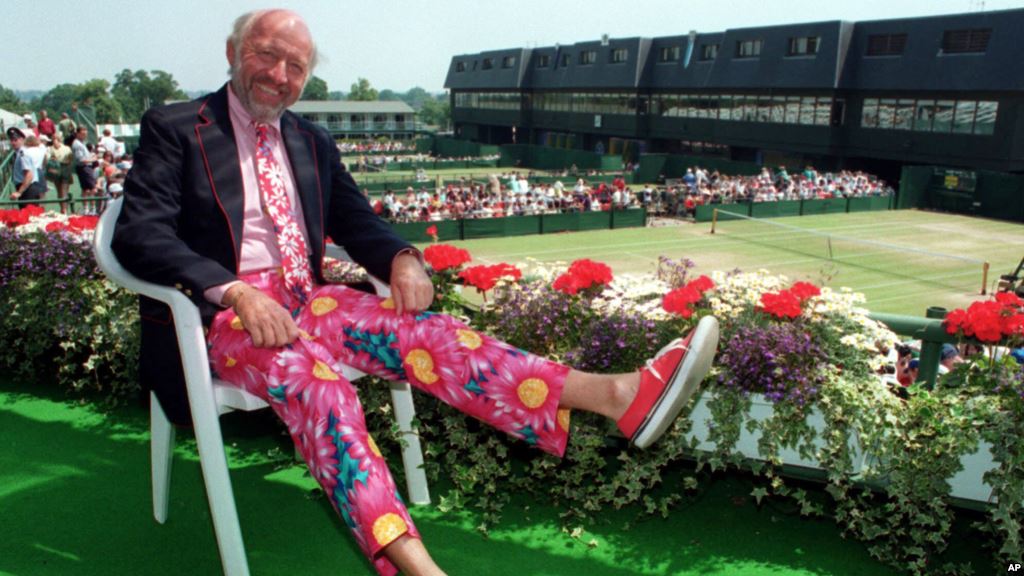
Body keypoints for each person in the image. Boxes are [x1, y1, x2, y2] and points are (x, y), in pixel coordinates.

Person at [111, 10, 720, 576]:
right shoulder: (177, 128)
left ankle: (618, 395)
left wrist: (404, 258)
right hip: (221, 317)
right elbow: (139, 235)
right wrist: (237, 293)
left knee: (432, 333)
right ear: (233, 52)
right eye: (267, 56)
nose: (279, 75)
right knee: (320, 390)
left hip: (309, 297)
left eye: (296, 66)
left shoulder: (310, 140)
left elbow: (356, 221)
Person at [8, 128, 48, 203]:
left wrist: (19, 192)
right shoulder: (19, 153)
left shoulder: (23, 154)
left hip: (28, 188)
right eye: (11, 140)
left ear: (22, 139)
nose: (13, 142)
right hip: (26, 187)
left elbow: (29, 175)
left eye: (15, 140)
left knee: (30, 213)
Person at [71, 126, 99, 213]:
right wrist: (93, 159)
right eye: (83, 133)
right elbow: (81, 159)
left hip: (85, 167)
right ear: (78, 133)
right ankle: (92, 208)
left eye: (86, 134)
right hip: (84, 168)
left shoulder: (81, 143)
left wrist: (92, 156)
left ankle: (87, 208)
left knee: (86, 189)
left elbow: (85, 157)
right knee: (93, 188)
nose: (84, 135)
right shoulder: (77, 144)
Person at [46, 134, 75, 213]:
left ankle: (64, 209)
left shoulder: (66, 148)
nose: (55, 140)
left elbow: (70, 159)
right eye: (53, 139)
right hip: (56, 168)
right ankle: (63, 208)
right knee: (59, 191)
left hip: (65, 168)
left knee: (64, 189)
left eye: (56, 139)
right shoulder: (49, 149)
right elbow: (47, 159)